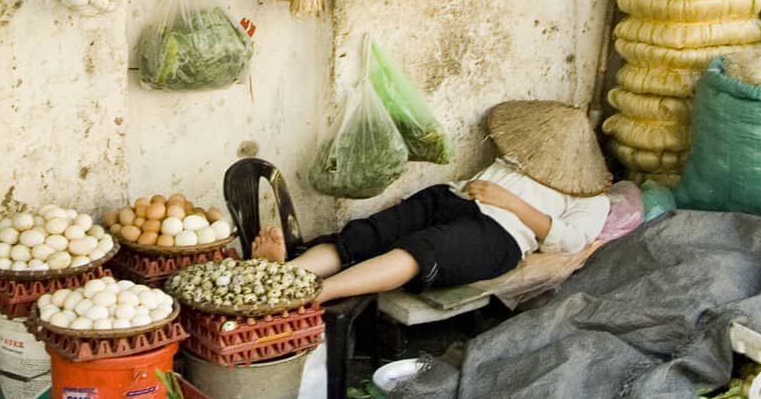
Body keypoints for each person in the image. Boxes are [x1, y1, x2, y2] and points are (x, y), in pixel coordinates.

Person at [253, 100, 612, 303]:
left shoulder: (591, 195)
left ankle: (311, 295)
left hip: (498, 234)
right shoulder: (521, 157)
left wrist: (513, 203)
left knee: (419, 250)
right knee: (367, 234)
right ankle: (279, 275)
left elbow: (571, 241)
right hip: (452, 199)